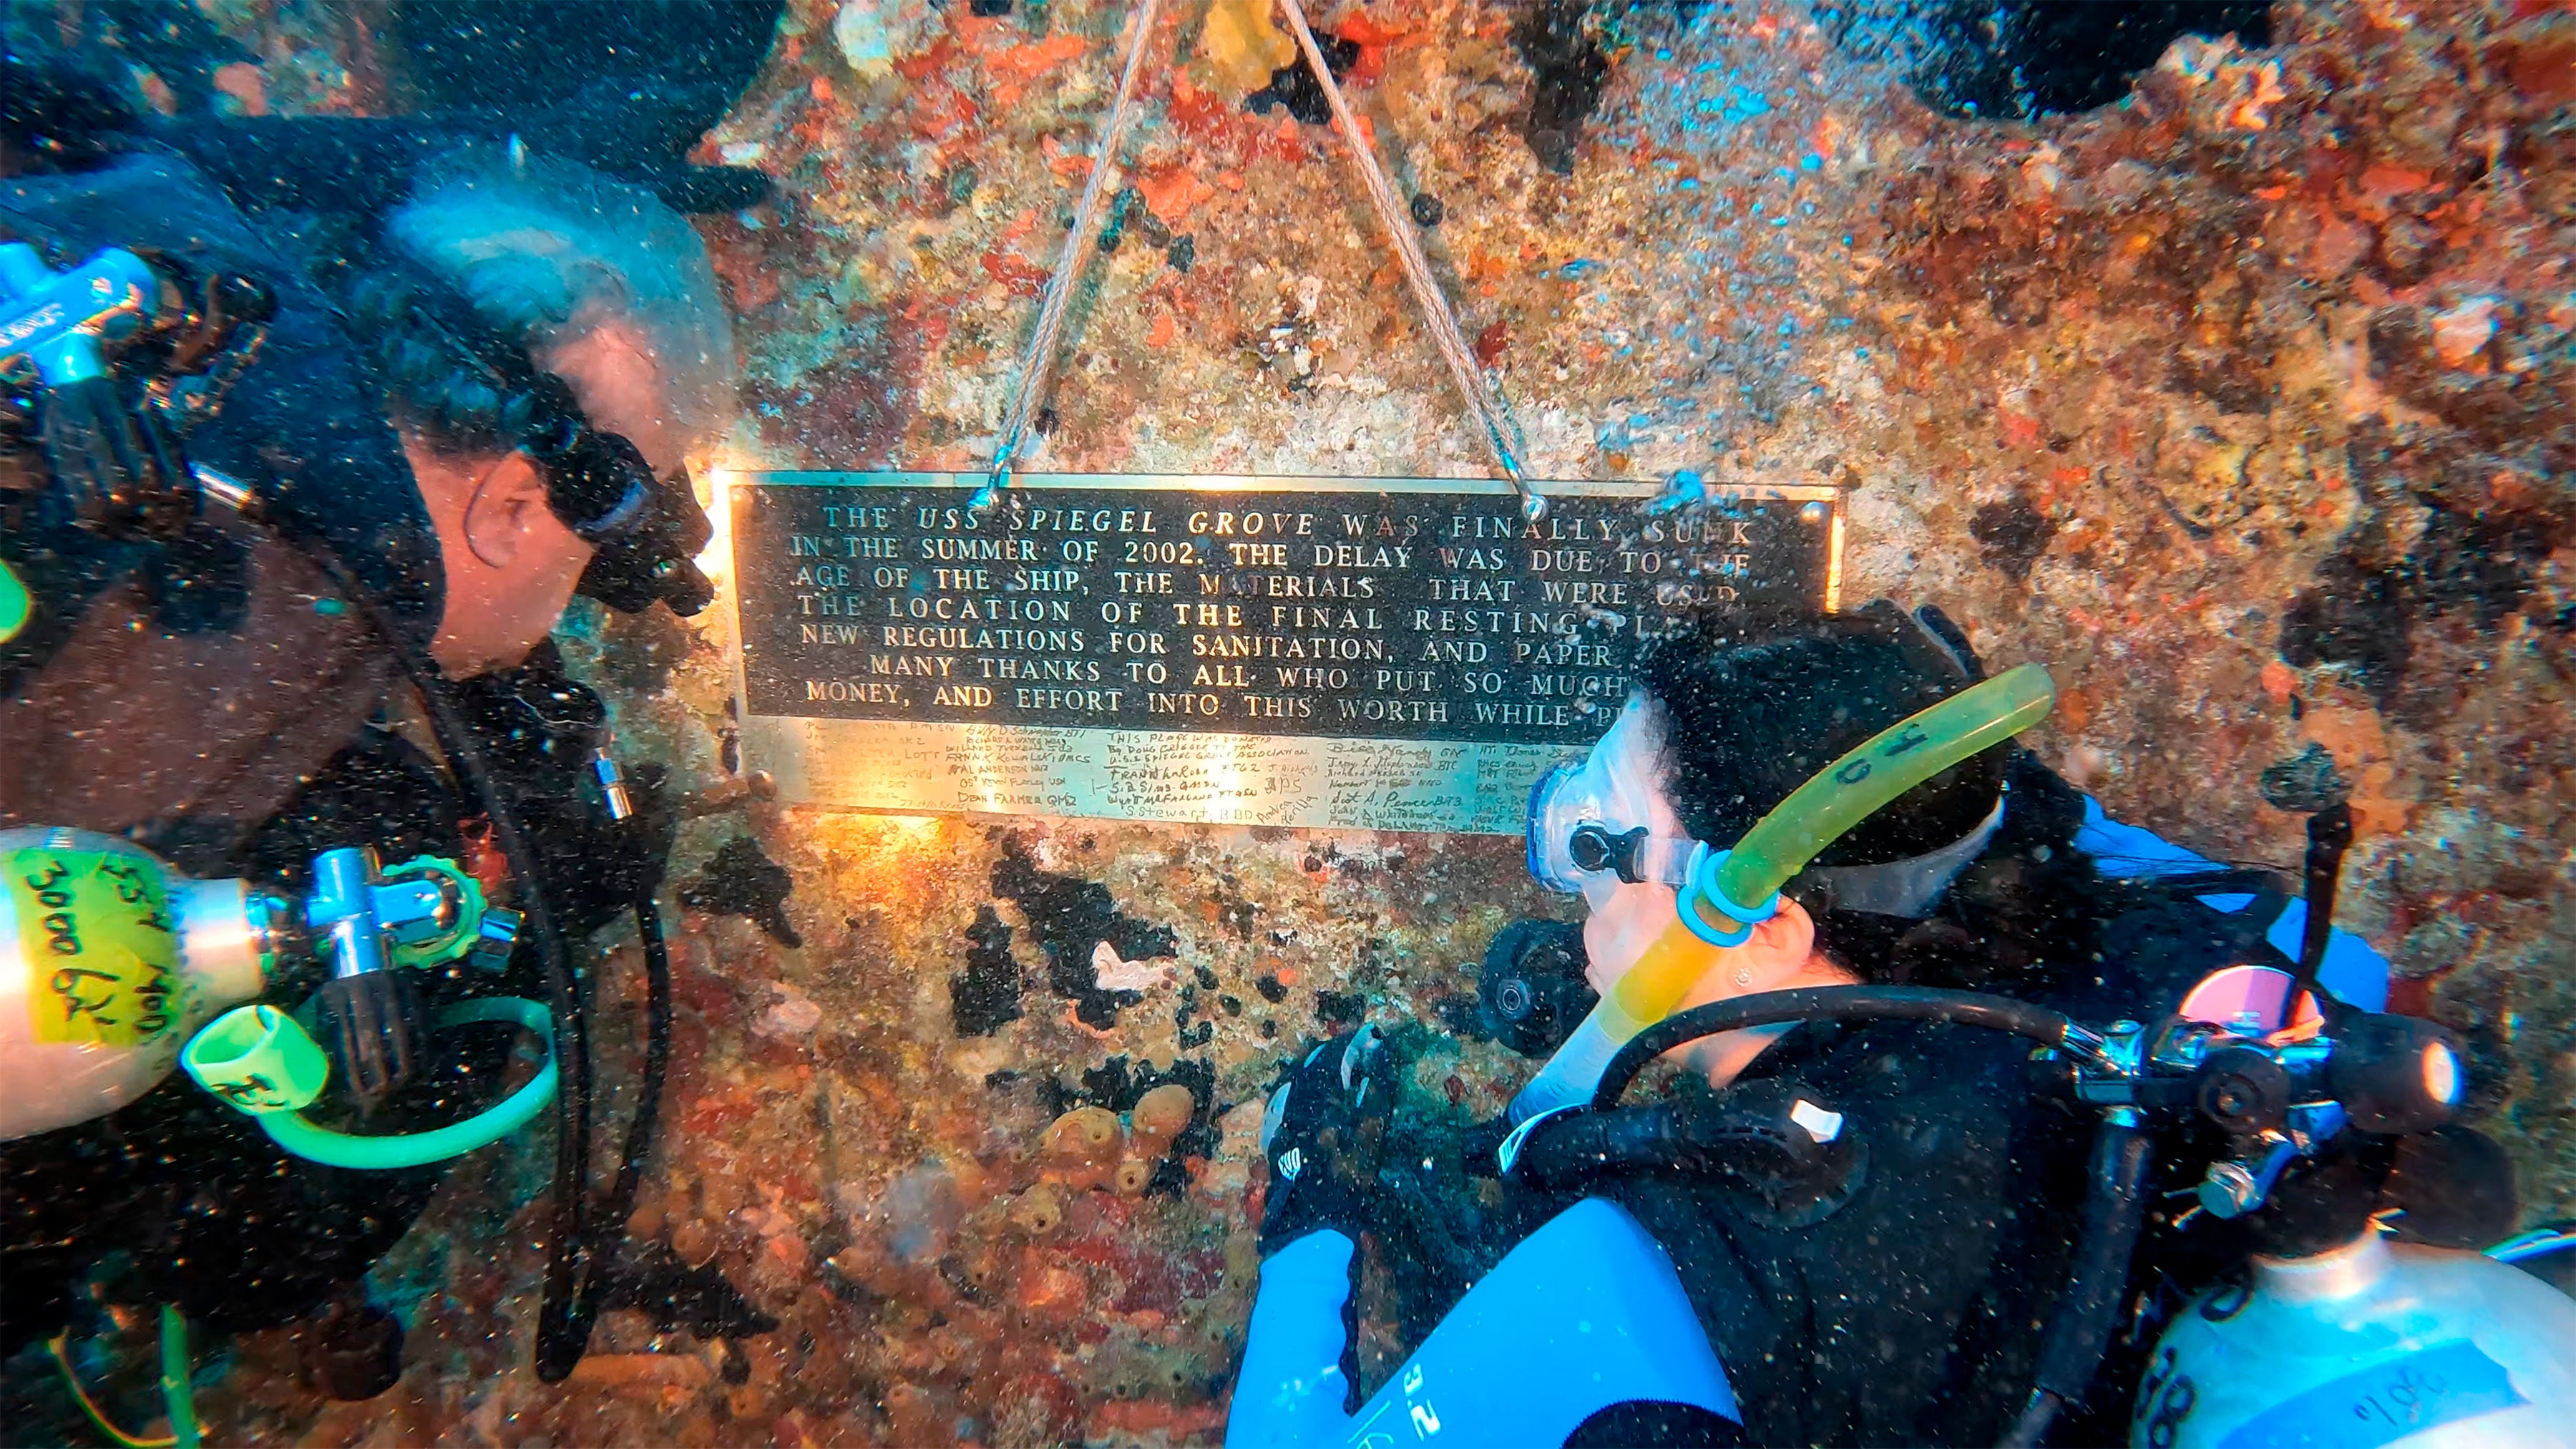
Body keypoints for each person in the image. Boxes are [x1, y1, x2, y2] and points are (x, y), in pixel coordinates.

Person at [1228, 601, 2404, 1448]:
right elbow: (2030, 820)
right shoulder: (2218, 970)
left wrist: (1308, 1206)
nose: (1575, 878)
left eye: (1599, 842)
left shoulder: (1652, 1269)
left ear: (1773, 930)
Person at [1, 60, 738, 1384]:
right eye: (591, 554)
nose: (577, 603)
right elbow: (226, 1242)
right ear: (509, 509)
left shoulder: (164, 242)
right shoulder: (267, 633)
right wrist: (472, 961)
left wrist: (508, 160)